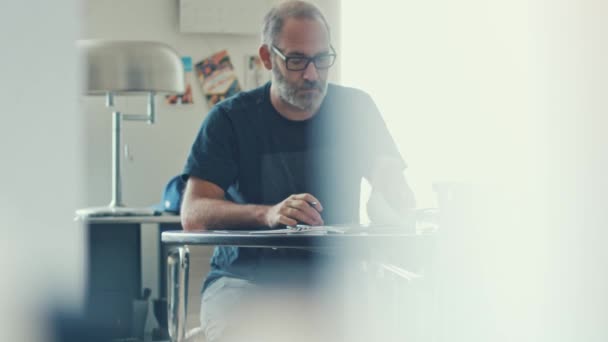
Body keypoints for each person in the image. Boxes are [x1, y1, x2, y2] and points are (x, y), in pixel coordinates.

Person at [180, 1, 416, 340]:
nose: (312, 74)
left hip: (335, 284)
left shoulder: (356, 108)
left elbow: (392, 183)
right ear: (266, 57)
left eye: (322, 59)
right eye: (296, 60)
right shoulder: (230, 120)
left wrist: (391, 191)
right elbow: (193, 213)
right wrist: (268, 214)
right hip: (246, 280)